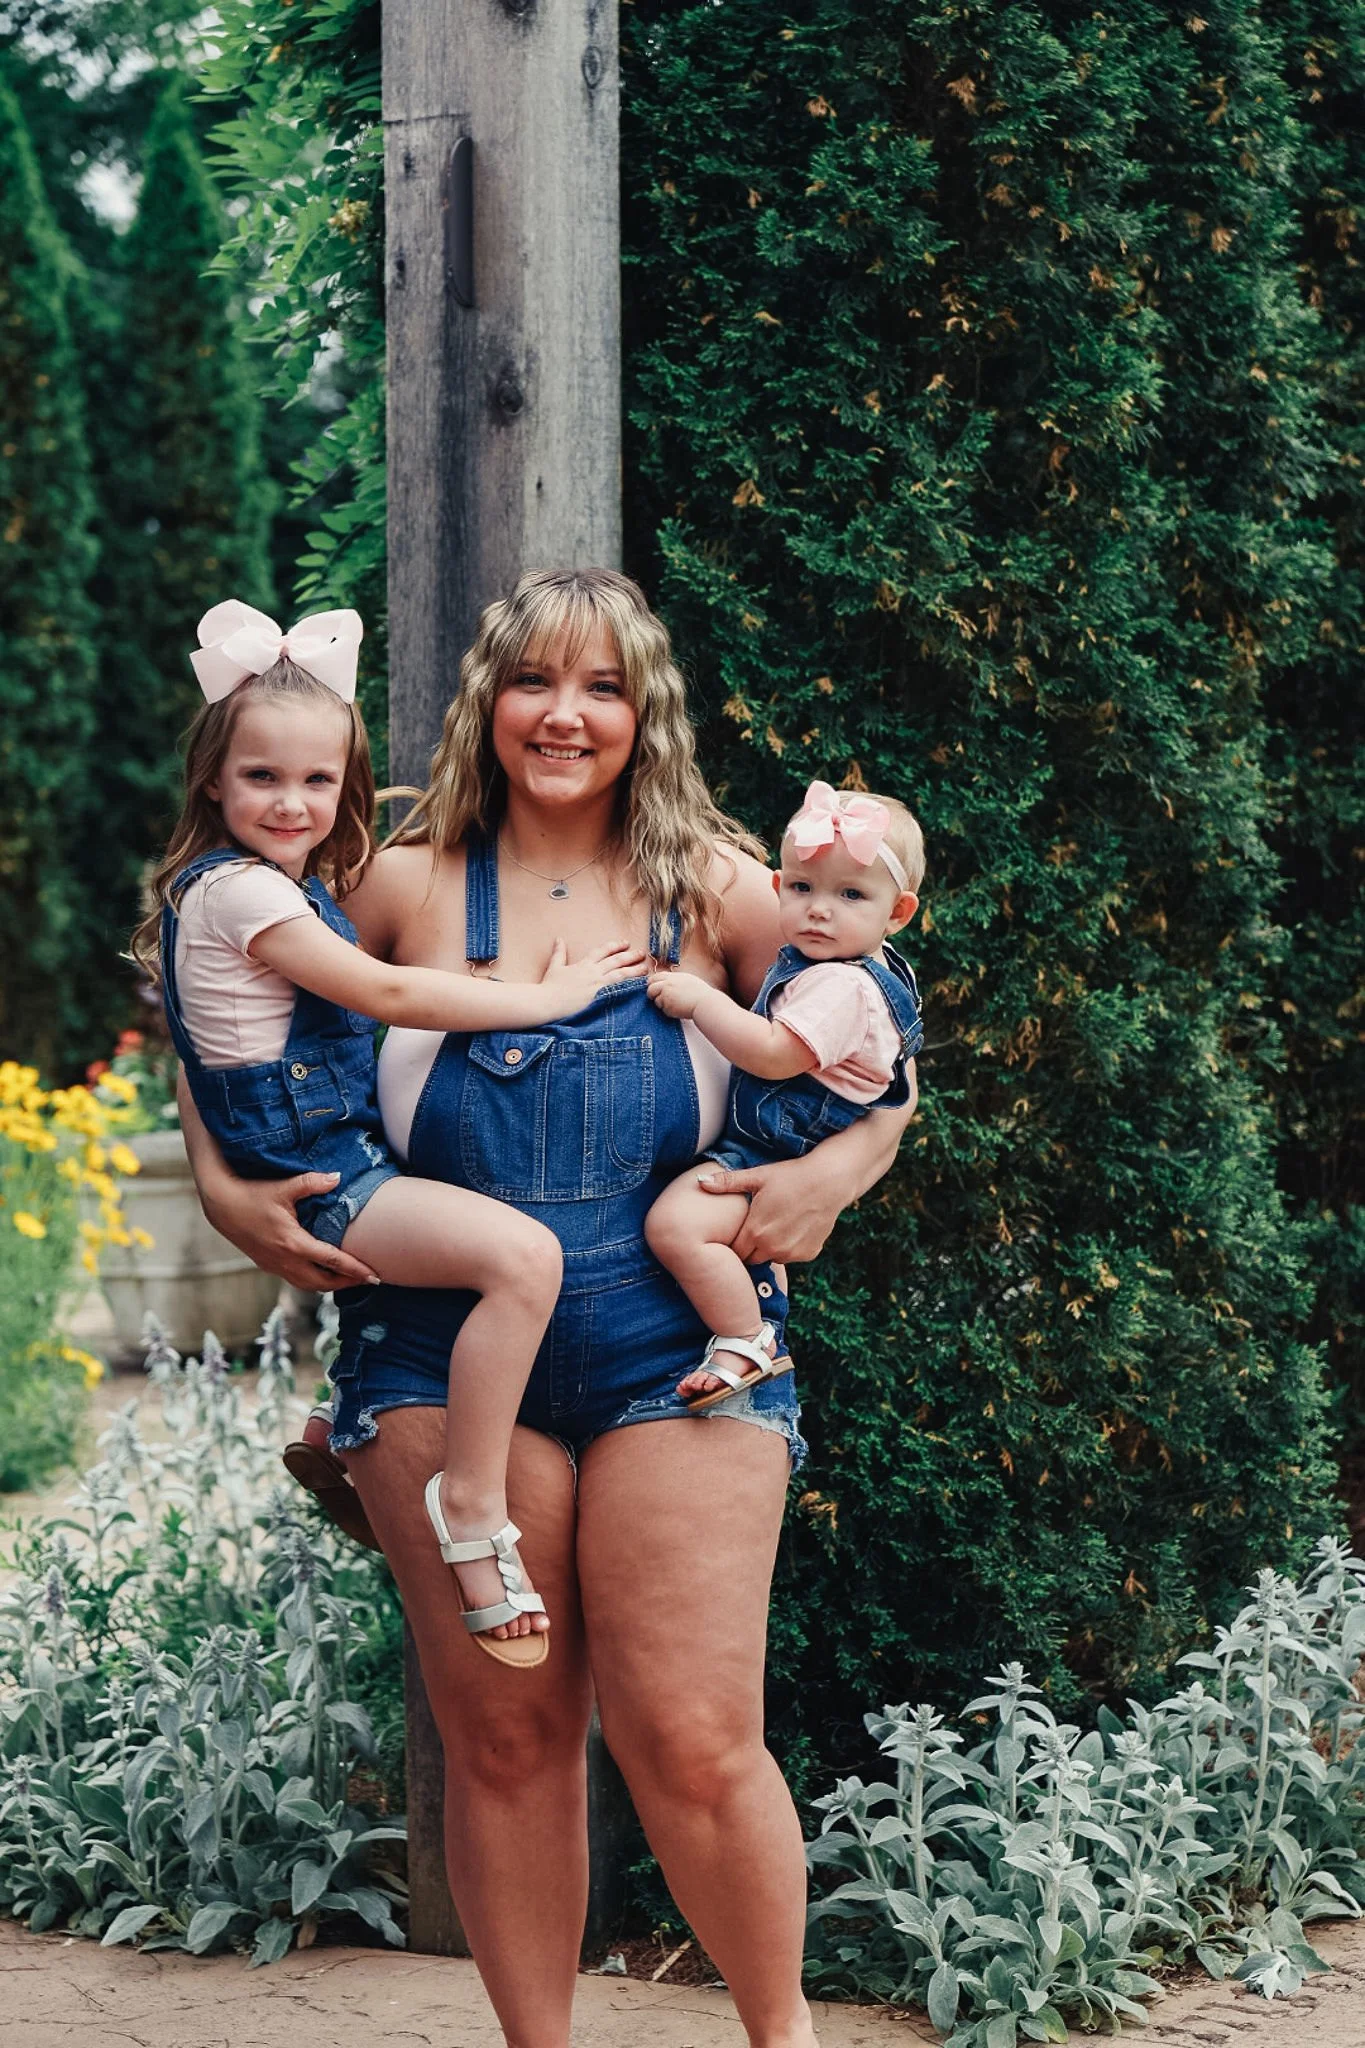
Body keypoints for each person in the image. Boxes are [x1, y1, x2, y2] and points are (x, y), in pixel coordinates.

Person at [178, 569, 917, 2048]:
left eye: (602, 687)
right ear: (486, 702)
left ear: (644, 714)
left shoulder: (723, 884)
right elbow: (219, 1012)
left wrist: (845, 1166)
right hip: (438, 1349)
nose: (564, 716)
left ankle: (783, 2042)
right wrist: (215, 1181)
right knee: (506, 1741)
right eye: (533, 682)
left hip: (681, 1348)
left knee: (695, 1741)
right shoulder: (395, 878)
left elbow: (877, 1050)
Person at [134, 600, 645, 1665]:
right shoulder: (239, 896)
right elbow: (383, 989)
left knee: (461, 1200)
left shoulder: (271, 888)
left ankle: (341, 1426)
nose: (291, 801)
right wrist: (544, 1002)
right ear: (213, 783)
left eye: (317, 780)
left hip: (332, 1149)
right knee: (522, 1258)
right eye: (262, 778)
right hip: (322, 1169)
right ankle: (469, 1499)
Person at [645, 779, 924, 1407]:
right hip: (782, 1142)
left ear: (898, 913)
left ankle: (745, 1339)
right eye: (802, 888)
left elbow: (773, 1056)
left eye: (851, 894)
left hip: (777, 1149)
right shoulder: (849, 967)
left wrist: (701, 1001)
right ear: (776, 888)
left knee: (676, 1226)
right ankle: (757, 1304)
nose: (819, 909)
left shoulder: (842, 988)